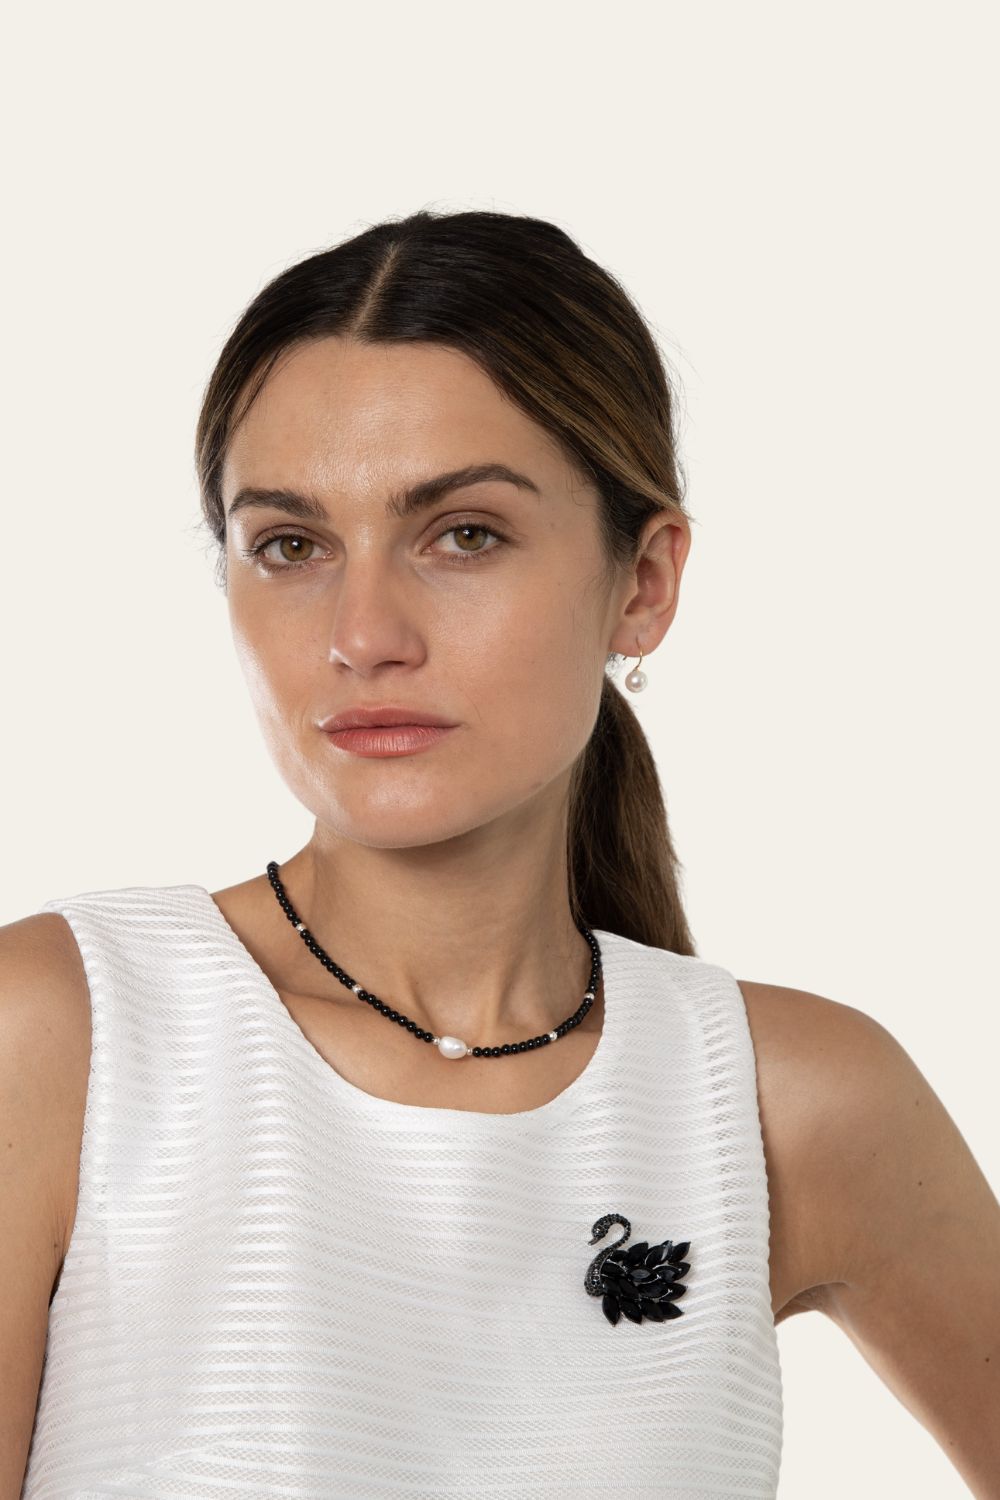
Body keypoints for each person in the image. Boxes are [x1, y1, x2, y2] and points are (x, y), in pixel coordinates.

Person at [4, 210, 998, 1499]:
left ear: (643, 582)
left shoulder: (788, 1102)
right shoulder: (63, 1042)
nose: (364, 633)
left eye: (463, 533)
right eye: (291, 546)